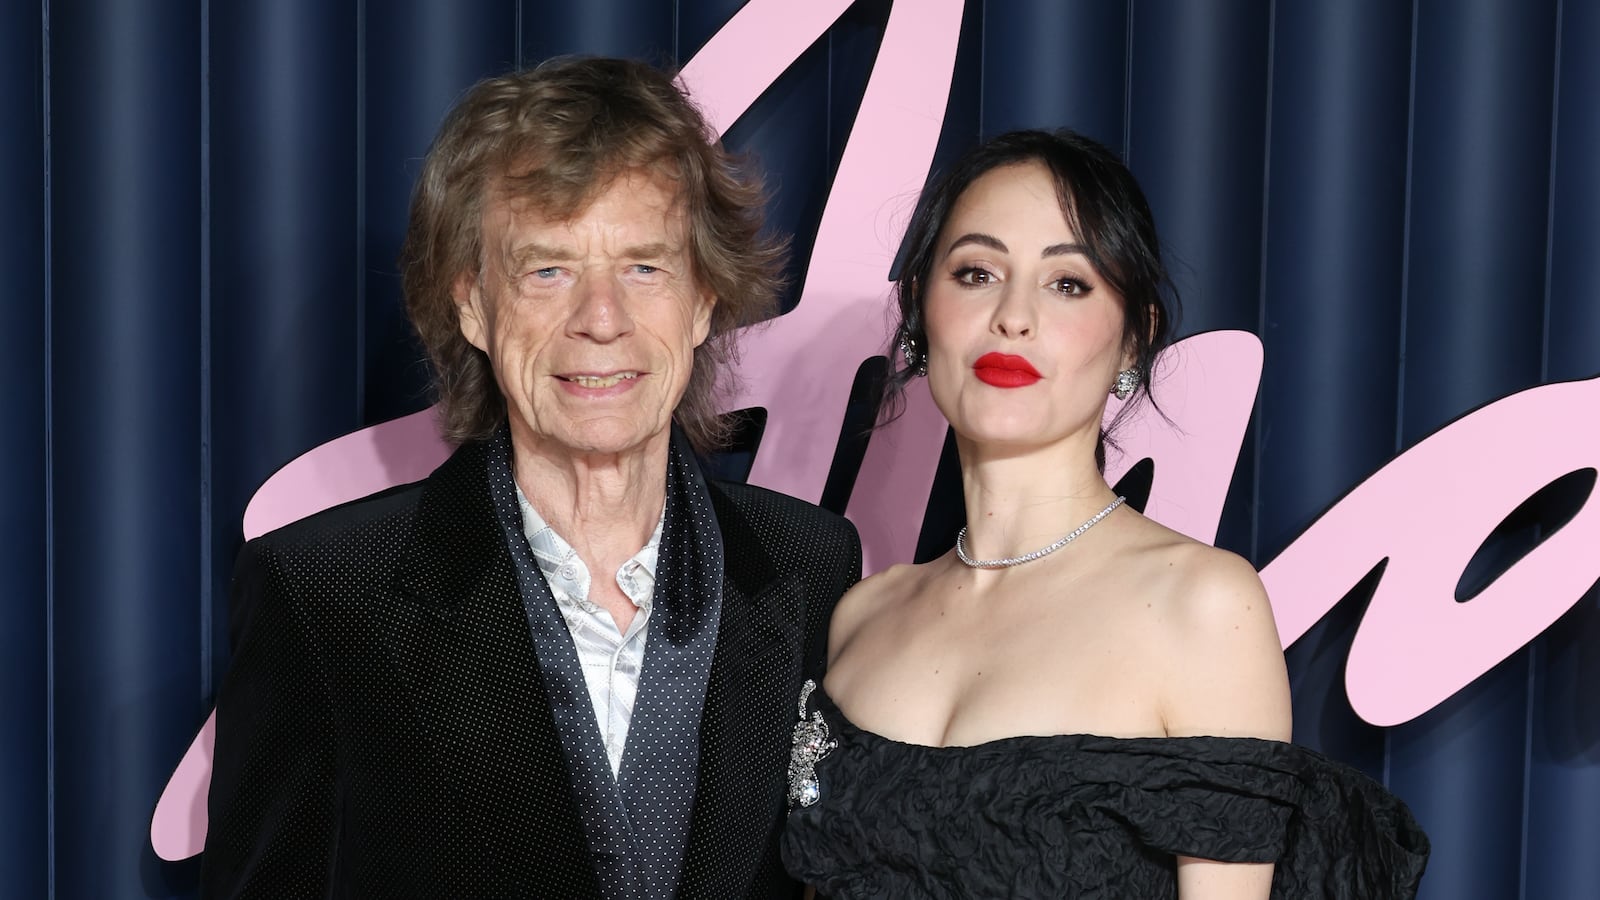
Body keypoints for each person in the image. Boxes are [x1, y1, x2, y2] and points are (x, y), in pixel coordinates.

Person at [200, 56, 861, 899]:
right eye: (547, 270)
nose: (601, 320)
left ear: (704, 299)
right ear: (472, 304)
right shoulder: (323, 591)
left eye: (644, 267)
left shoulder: (809, 564)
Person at [779, 129, 1428, 898]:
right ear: (921, 311)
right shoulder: (862, 614)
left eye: (1068, 284)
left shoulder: (1202, 604)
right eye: (977, 272)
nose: (1012, 316)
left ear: (1134, 340)